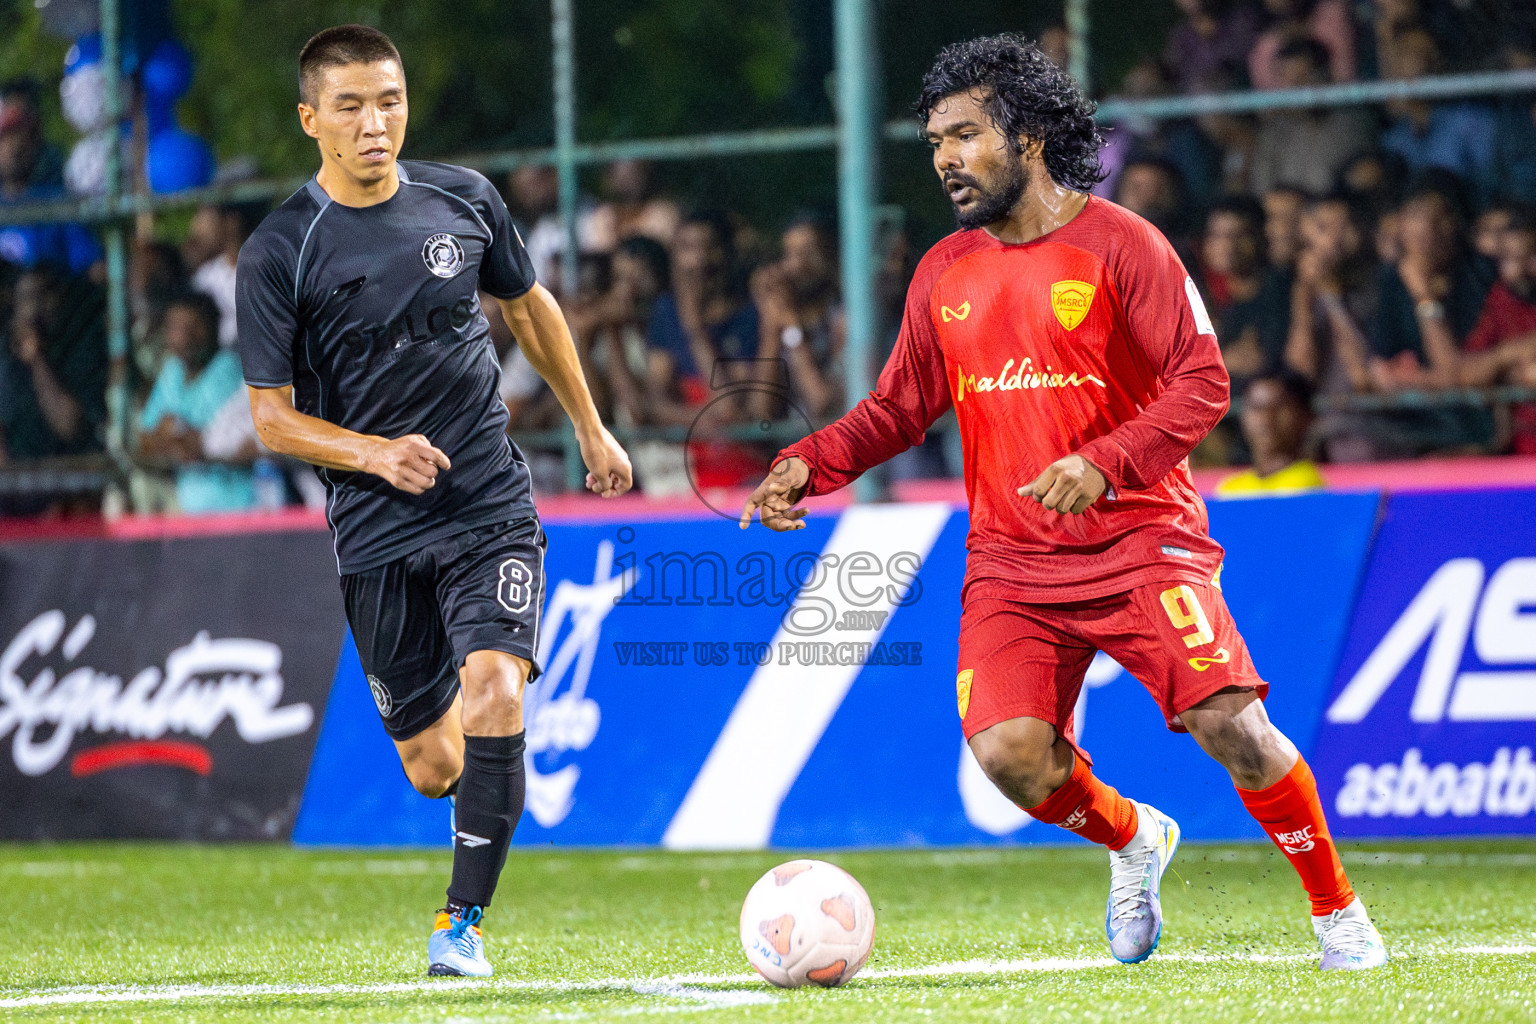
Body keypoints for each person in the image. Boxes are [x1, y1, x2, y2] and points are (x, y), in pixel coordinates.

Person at [741, 33, 1387, 971]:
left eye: (966, 136)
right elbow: (898, 409)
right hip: (1012, 563)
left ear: (1029, 137)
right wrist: (809, 462)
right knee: (1010, 756)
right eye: (935, 142)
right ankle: (1134, 837)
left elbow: (1203, 381)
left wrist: (1106, 463)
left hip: (1140, 543)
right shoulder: (943, 271)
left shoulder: (1125, 245)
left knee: (1232, 725)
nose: (946, 159)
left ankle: (1339, 914)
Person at [235, 25, 631, 978]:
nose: (375, 124)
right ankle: (483, 780)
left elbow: (528, 308)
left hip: (487, 501)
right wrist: (374, 455)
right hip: (375, 530)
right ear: (311, 120)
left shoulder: (464, 200)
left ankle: (462, 928)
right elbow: (270, 420)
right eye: (351, 107)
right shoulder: (281, 251)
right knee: (435, 767)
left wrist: (590, 425)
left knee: (496, 686)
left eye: (390, 101)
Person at [137, 292, 254, 513]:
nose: (184, 336)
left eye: (192, 327)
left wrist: (172, 434)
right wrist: (169, 437)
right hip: (191, 510)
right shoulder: (173, 371)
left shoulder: (228, 368)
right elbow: (144, 439)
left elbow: (200, 443)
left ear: (213, 327)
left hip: (237, 508)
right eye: (176, 327)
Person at [1249, 38, 1376, 197]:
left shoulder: (1353, 122)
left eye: (1302, 78)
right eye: (1287, 79)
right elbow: (1263, 190)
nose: (1294, 88)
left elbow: (1359, 183)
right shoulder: (1273, 132)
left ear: (1325, 74)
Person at [752, 213, 845, 420]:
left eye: (808, 253)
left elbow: (821, 401)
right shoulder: (781, 317)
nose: (797, 265)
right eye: (789, 254)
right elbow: (760, 410)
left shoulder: (843, 318)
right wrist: (772, 329)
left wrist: (792, 328)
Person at [1459, 204, 1536, 453]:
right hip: (1518, 449)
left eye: (1530, 257)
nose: (1520, 270)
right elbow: (1469, 374)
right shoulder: (1501, 298)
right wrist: (1508, 356)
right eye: (1510, 259)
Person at [1215, 371, 1326, 495]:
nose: (1265, 418)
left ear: (1305, 416)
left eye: (1279, 407)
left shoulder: (1308, 486)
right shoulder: (1230, 488)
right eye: (1256, 407)